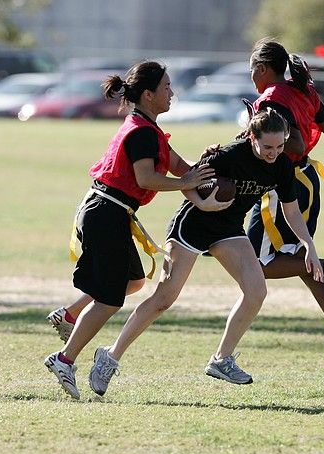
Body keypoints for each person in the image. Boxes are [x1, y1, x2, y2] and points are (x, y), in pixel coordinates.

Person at [87, 108, 324, 396]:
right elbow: (190, 179)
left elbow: (291, 211)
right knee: (164, 298)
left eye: (280, 146)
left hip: (227, 228)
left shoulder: (282, 165)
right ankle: (109, 357)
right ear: (252, 138)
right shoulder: (228, 155)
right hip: (193, 224)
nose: (274, 152)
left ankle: (221, 359)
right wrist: (202, 203)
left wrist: (308, 245)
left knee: (256, 290)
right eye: (267, 146)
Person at [43, 61, 218, 399]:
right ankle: (64, 359)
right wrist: (186, 182)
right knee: (109, 300)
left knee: (133, 282)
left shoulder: (147, 128)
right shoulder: (140, 132)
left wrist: (212, 168)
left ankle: (71, 315)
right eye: (166, 87)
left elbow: (185, 169)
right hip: (105, 213)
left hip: (111, 213)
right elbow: (146, 179)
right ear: (149, 94)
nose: (172, 93)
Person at [245, 39, 324, 376]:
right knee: (296, 257)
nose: (251, 77)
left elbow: (291, 142)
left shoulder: (272, 97)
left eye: (252, 70)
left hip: (284, 184)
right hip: (307, 179)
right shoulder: (300, 90)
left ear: (262, 69)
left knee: (255, 263)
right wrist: (309, 97)